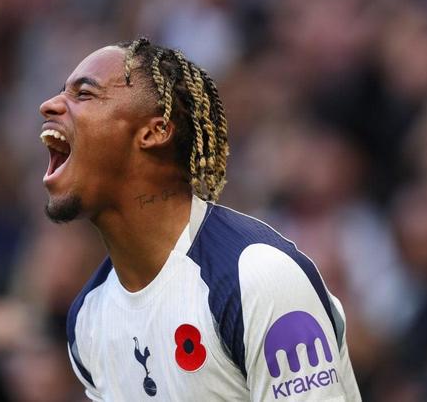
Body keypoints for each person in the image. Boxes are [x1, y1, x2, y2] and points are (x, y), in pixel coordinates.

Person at [38, 38, 361, 401]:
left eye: (84, 94)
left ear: (155, 131)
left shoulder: (256, 277)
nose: (49, 105)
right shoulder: (88, 319)